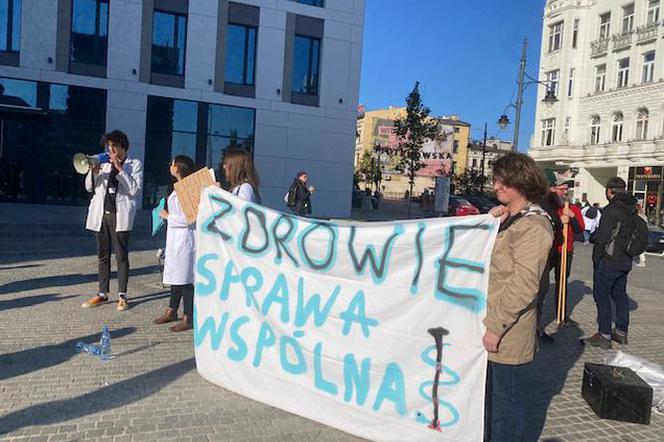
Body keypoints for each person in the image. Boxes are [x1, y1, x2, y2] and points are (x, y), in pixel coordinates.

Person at [483, 153, 554, 442]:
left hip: (508, 334)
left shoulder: (534, 227)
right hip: (493, 325)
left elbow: (525, 284)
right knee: (492, 405)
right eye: (497, 179)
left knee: (507, 409)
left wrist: (496, 327)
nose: (497, 185)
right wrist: (490, 223)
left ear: (521, 183)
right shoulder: (511, 219)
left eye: (503, 181)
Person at [82, 130, 143, 311]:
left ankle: (122, 295)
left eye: (114, 145)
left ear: (123, 146)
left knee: (121, 256)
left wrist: (120, 169)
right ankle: (102, 293)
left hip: (120, 216)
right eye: (109, 146)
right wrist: (93, 173)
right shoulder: (104, 164)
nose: (111, 149)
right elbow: (88, 188)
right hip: (101, 215)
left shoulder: (135, 164)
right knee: (102, 255)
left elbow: (134, 190)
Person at [582, 177, 639, 349]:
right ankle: (621, 332)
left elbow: (603, 238)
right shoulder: (632, 209)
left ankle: (604, 335)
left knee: (602, 297)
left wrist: (596, 258)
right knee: (620, 296)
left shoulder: (611, 210)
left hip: (608, 261)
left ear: (610, 191)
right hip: (625, 260)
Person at [153, 156, 197, 332]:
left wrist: (167, 216)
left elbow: (190, 218)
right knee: (176, 278)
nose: (170, 166)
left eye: (172, 163)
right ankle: (172, 310)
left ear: (179, 167)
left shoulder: (190, 189)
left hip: (186, 240)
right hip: (175, 239)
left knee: (185, 279)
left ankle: (188, 317)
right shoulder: (177, 189)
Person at [537, 175, 585, 330]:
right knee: (540, 284)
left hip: (566, 250)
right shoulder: (549, 207)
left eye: (567, 189)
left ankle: (562, 315)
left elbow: (580, 232)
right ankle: (537, 320)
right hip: (551, 250)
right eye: (562, 189)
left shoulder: (574, 208)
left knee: (562, 282)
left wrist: (572, 218)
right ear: (553, 189)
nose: (565, 191)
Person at [634, 203, 648, 267]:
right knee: (640, 246)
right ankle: (642, 260)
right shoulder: (644, 216)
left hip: (639, 234)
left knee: (638, 247)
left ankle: (642, 261)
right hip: (644, 233)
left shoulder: (637, 216)